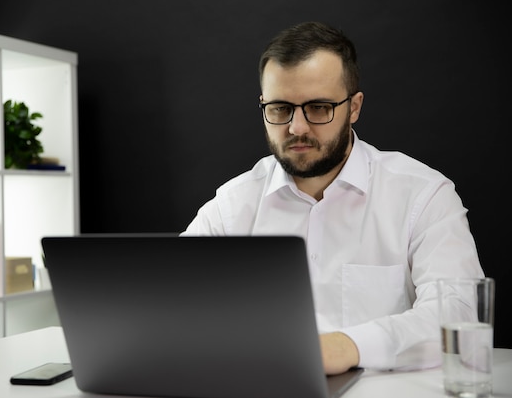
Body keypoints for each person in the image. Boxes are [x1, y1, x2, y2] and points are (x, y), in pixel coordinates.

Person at [182, 21, 485, 375]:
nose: (297, 128)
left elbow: (459, 313)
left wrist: (349, 346)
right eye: (280, 109)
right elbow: (170, 302)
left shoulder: (423, 196)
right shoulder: (231, 207)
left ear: (354, 107)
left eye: (319, 107)